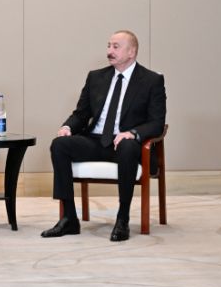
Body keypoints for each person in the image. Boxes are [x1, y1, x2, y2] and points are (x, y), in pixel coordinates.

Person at [41, 30, 166, 242]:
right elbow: (81, 114)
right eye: (108, 46)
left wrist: (132, 133)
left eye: (116, 47)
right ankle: (69, 218)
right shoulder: (96, 77)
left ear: (132, 52)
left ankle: (122, 218)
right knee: (60, 145)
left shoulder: (151, 80)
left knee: (127, 146)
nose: (109, 51)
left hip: (125, 145)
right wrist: (68, 127)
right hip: (96, 140)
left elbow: (157, 123)